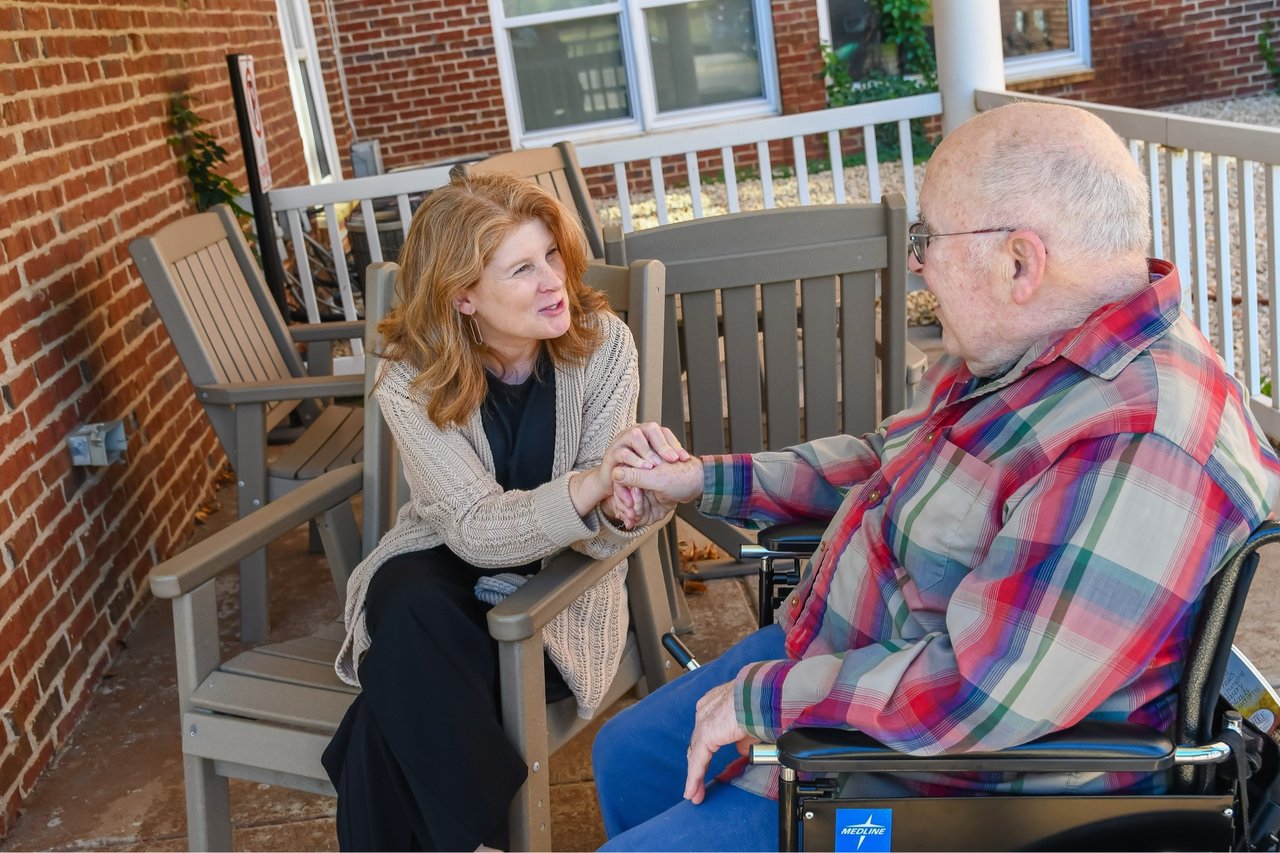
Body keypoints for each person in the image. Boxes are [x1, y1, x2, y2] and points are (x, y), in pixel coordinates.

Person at [594, 101, 1280, 850]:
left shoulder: (1142, 439)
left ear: (1019, 263)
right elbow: (885, 458)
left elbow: (986, 694)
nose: (916, 261)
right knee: (625, 755)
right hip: (839, 663)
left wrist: (763, 700)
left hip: (937, 783)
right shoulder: (1028, 346)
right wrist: (703, 479)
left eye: (927, 238)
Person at [320, 172, 684, 852]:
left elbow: (609, 532)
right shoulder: (409, 378)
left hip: (557, 594)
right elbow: (473, 530)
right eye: (522, 269)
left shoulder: (603, 345)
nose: (554, 281)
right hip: (453, 561)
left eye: (551, 255)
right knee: (402, 595)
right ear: (463, 295)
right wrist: (590, 485)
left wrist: (628, 500)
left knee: (382, 716)